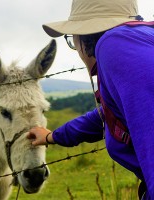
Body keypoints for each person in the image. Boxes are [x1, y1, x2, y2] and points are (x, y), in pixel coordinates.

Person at [27, 0, 154, 199]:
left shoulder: (114, 45)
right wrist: (53, 136)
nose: (76, 49)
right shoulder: (142, 41)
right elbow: (108, 115)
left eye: (71, 38)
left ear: (84, 36)